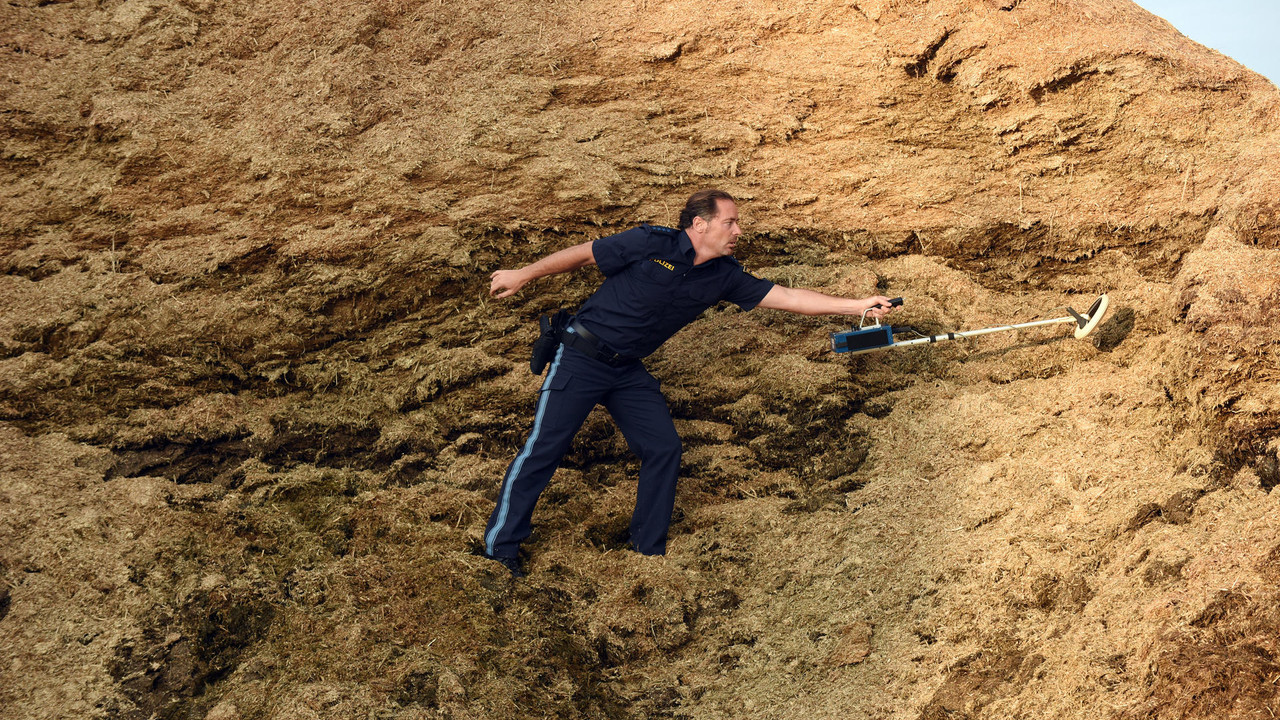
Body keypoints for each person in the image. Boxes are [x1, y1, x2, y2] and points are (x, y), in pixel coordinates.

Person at [481, 189, 895, 577]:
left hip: (627, 371)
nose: (738, 231)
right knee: (544, 448)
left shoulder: (724, 275)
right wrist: (524, 274)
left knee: (663, 448)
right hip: (581, 356)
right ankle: (500, 549)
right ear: (700, 224)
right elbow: (585, 255)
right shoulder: (650, 242)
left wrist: (857, 306)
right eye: (730, 222)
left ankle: (647, 551)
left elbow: (789, 298)